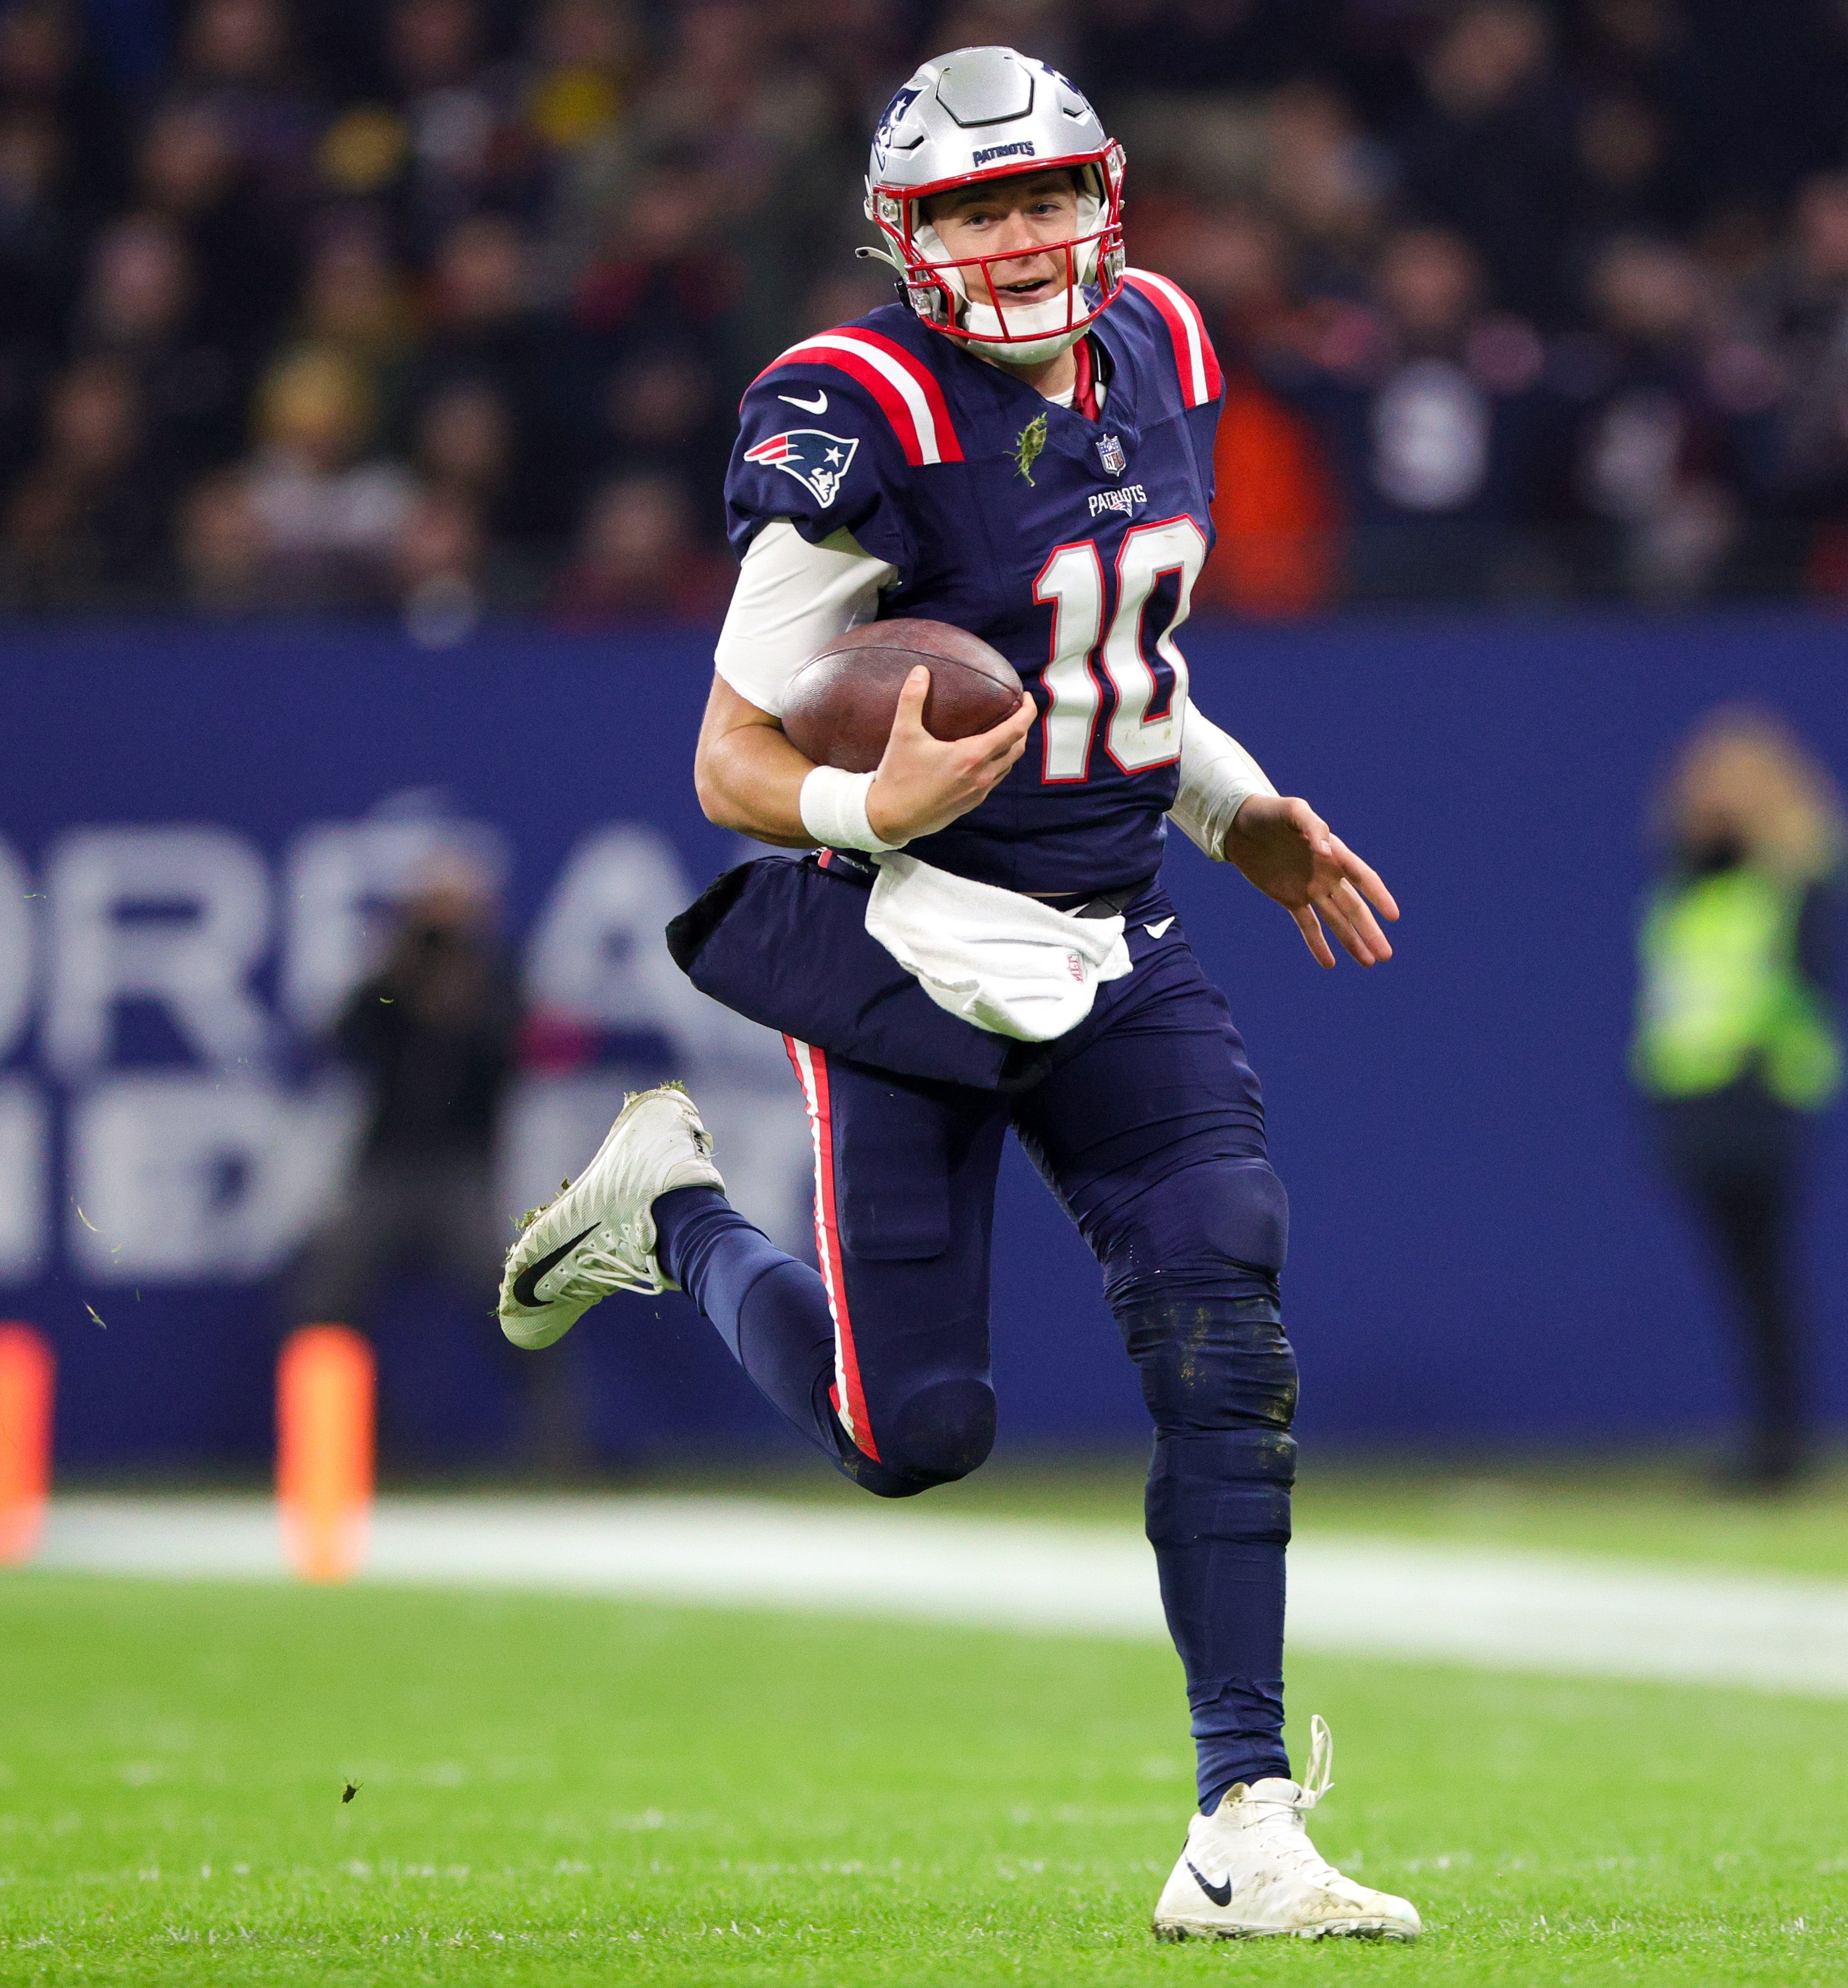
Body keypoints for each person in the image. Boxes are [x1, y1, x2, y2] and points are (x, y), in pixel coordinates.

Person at [488, 49, 1418, 1942]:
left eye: (1042, 193)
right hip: (913, 940)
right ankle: (669, 1214)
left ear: (1109, 195)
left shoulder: (1162, 343)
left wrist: (1233, 803)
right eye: (975, 208)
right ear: (907, 239)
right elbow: (732, 749)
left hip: (1112, 917)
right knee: (917, 1431)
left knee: (1224, 1298)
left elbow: (1110, 666)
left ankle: (1244, 1819)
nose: (1017, 237)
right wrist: (864, 799)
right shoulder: (860, 407)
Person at [1631, 707, 1848, 1495]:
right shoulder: (1686, 878)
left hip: (1758, 1099)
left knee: (1765, 1279)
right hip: (1695, 1100)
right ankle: (1769, 1439)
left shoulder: (1798, 875)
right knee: (1744, 1282)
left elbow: (1811, 984)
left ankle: (1781, 1445)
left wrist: (1762, 1063)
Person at [289, 859, 569, 1468]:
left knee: (516, 1302)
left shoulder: (494, 975)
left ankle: (556, 1444)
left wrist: (468, 1002)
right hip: (386, 1167)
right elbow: (346, 1035)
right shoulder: (395, 972)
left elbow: (521, 1050)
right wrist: (401, 972)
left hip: (461, 1169)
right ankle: (354, 1442)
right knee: (325, 1304)